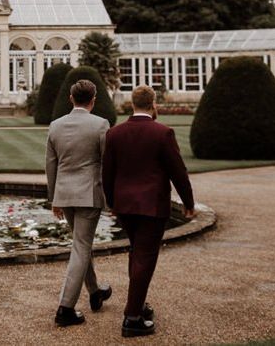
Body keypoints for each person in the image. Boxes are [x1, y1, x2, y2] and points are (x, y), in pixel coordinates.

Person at [102, 85, 195, 338]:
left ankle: (138, 304)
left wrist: (112, 203)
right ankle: (132, 319)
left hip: (124, 206)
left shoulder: (115, 133)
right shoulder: (162, 132)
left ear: (132, 104)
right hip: (151, 206)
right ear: (154, 104)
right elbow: (178, 172)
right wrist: (189, 202)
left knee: (137, 254)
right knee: (145, 257)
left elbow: (107, 174)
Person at [46, 79, 112, 328]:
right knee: (82, 246)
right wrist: (110, 198)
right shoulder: (100, 124)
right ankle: (65, 308)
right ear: (93, 100)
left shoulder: (55, 125)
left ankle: (95, 292)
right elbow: (107, 165)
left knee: (80, 244)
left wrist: (54, 198)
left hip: (65, 193)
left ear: (71, 99)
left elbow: (50, 165)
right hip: (88, 194)